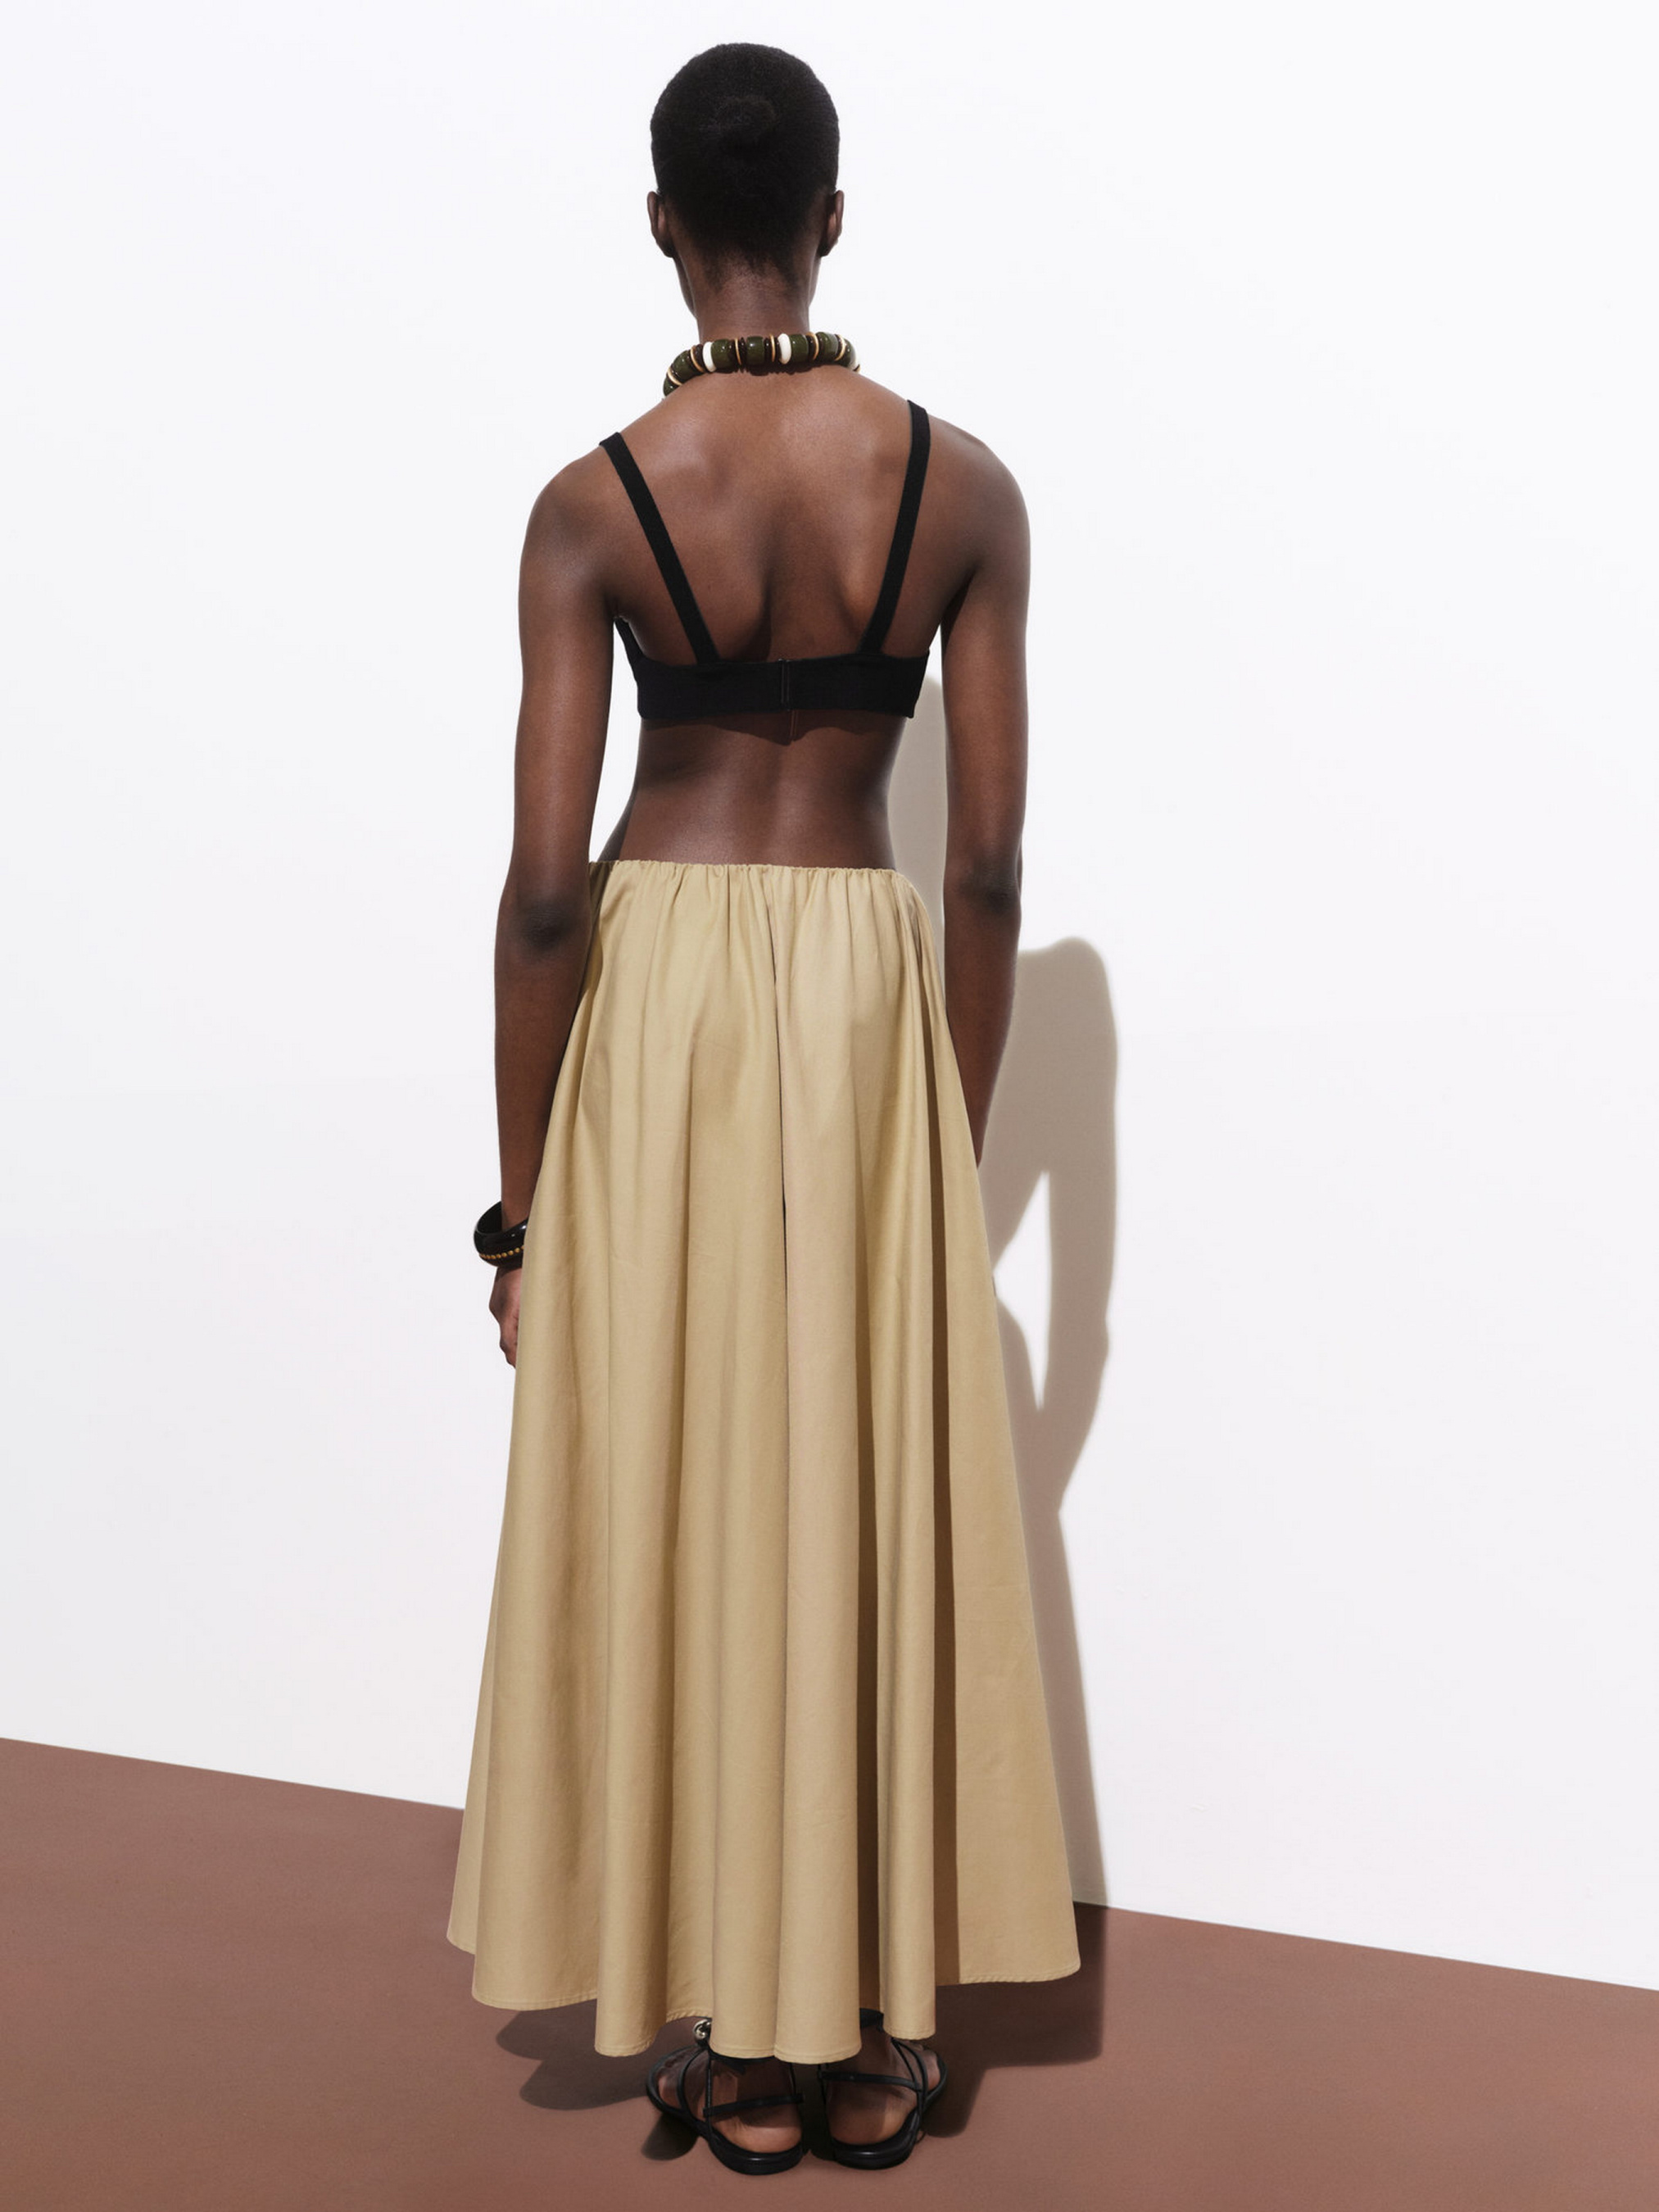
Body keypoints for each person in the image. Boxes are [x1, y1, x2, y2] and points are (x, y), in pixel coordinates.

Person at [448, 41, 1078, 2176]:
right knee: (845, 1488)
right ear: (830, 216)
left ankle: (728, 2029)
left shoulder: (593, 502)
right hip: (864, 987)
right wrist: (946, 1147)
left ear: (659, 223)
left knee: (686, 1475)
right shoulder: (962, 490)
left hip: (668, 997)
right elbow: (984, 866)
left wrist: (521, 1208)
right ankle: (871, 2030)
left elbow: (545, 887)